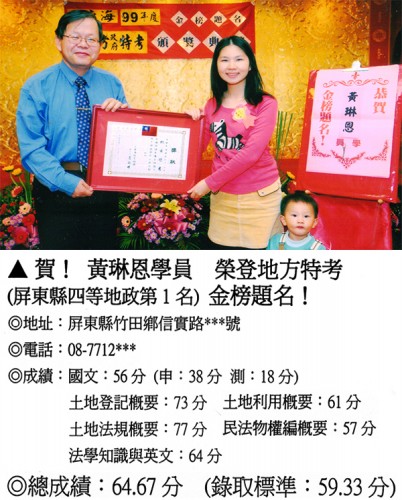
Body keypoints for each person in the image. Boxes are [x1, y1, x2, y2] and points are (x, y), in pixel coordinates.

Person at [16, 10, 128, 250]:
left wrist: (124, 121)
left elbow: (126, 143)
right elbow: (32, 148)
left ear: (100, 45)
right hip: (55, 186)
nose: (83, 44)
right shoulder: (37, 87)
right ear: (59, 41)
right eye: (75, 37)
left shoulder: (112, 84)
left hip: (103, 187)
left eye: (91, 39)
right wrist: (65, 182)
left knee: (101, 261)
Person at [186, 36, 281, 249]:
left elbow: (251, 154)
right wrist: (190, 124)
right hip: (223, 199)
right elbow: (194, 150)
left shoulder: (265, 103)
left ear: (250, 64)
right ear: (216, 65)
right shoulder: (211, 105)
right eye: (224, 60)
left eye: (239, 59)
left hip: (261, 199)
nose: (231, 66)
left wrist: (208, 184)